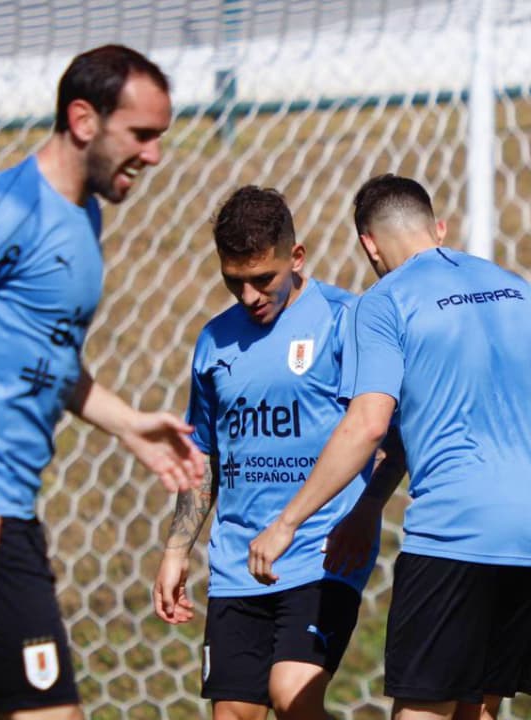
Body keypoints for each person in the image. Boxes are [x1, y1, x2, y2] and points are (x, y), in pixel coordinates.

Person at [0, 44, 205, 719]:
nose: (154, 156)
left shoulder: (83, 216)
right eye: (141, 135)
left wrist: (127, 423)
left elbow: (44, 354)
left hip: (0, 515)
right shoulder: (6, 208)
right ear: (83, 119)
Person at [247, 174, 531, 720]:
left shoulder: (385, 301)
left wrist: (287, 522)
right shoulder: (517, 287)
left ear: (369, 244)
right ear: (437, 229)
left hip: (456, 534)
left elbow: (368, 424)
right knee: (478, 712)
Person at [153, 186, 405, 720]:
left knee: (293, 693)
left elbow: (393, 437)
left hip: (322, 553)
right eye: (233, 281)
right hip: (236, 563)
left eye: (262, 279)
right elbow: (203, 454)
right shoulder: (213, 342)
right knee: (234, 715)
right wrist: (176, 551)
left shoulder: (348, 320)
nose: (248, 296)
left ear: (296, 257)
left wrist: (366, 511)